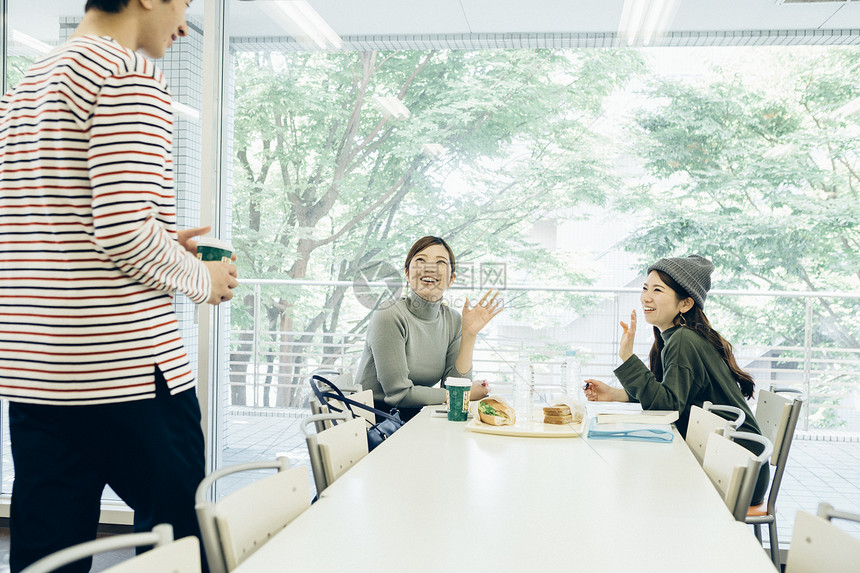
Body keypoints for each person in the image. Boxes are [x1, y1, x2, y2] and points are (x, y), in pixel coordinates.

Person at [0, 1, 237, 571]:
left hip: (39, 373)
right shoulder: (127, 75)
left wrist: (158, 241)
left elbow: (51, 228)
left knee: (48, 555)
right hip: (127, 370)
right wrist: (202, 278)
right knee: (181, 542)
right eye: (183, 3)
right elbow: (125, 232)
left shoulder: (25, 88)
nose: (184, 23)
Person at [584, 255, 770, 505]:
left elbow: (666, 408)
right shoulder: (678, 336)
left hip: (738, 467)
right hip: (737, 461)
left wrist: (627, 357)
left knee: (630, 486)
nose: (646, 297)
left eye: (657, 290)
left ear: (685, 304)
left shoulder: (683, 340)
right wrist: (616, 394)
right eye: (645, 288)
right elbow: (671, 394)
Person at [355, 236, 503, 422]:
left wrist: (469, 334)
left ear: (451, 279)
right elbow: (399, 394)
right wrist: (464, 394)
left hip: (415, 418)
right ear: (407, 274)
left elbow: (456, 387)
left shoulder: (453, 320)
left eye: (440, 262)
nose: (430, 268)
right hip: (375, 424)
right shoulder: (390, 314)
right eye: (421, 260)